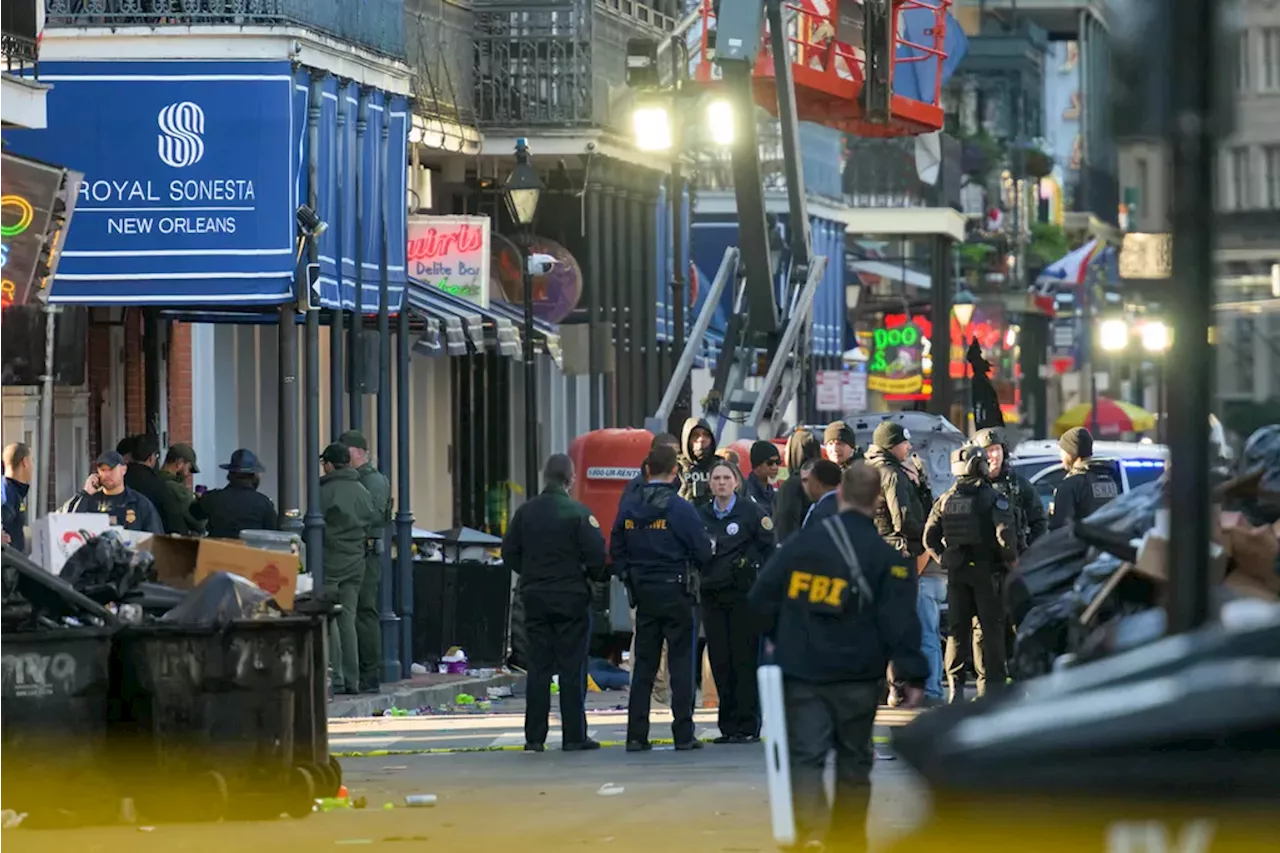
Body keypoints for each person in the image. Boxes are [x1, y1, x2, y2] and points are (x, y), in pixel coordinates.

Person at [749, 463, 926, 851]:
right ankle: (846, 840)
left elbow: (761, 597)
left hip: (802, 671)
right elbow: (900, 620)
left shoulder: (800, 546)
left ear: (841, 494)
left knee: (806, 757)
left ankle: (809, 831)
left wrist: (778, 637)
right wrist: (913, 673)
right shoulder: (885, 558)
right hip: (858, 676)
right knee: (854, 762)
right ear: (877, 501)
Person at [502, 454, 608, 752]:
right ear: (570, 479)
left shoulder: (525, 512)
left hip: (535, 597)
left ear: (545, 477)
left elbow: (509, 552)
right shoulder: (578, 513)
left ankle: (534, 737)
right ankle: (574, 735)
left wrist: (532, 573)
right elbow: (598, 558)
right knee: (572, 668)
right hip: (571, 598)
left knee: (538, 667)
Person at [611, 443, 712, 751]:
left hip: (644, 594)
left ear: (646, 471)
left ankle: (636, 735)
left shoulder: (629, 507)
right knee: (681, 665)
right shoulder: (681, 509)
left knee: (643, 666)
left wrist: (631, 576)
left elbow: (616, 550)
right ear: (674, 472)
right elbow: (702, 551)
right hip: (678, 592)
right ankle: (683, 734)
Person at [924, 446, 1019, 702]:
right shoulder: (992, 497)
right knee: (991, 631)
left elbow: (929, 537)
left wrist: (945, 559)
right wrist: (1013, 562)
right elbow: (1004, 535)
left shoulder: (945, 499)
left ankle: (955, 690)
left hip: (957, 574)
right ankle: (992, 691)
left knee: (957, 632)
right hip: (987, 573)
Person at [697, 460, 774, 743]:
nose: (721, 483)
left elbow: (769, 545)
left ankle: (748, 724)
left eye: (726, 478)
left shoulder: (750, 511)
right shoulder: (702, 514)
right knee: (720, 660)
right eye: (716, 478)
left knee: (744, 659)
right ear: (710, 483)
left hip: (742, 596)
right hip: (712, 594)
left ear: (736, 482)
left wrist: (754, 569)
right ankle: (727, 726)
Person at [622, 432, 682, 705]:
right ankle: (650, 691)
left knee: (662, 645)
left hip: (654, 579)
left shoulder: (681, 485)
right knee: (645, 642)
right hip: (655, 579)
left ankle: (658, 693)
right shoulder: (637, 490)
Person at [318, 442, 379, 696]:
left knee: (328, 616)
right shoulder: (362, 490)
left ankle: (337, 678)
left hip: (330, 561)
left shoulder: (325, 491)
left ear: (330, 465)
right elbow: (372, 519)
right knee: (348, 619)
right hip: (356, 561)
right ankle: (353, 679)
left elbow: (313, 523)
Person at [339, 430, 394, 695]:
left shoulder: (372, 481)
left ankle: (369, 671)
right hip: (356, 551)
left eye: (346, 450)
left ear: (358, 452)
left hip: (367, 553)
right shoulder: (359, 479)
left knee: (364, 610)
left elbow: (370, 516)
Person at [973, 427, 1046, 551]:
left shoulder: (1018, 485)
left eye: (997, 449)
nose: (995, 455)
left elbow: (1040, 522)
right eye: (990, 450)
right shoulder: (970, 486)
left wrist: (1027, 551)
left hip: (1013, 560)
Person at [864, 422, 927, 558]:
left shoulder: (869, 469)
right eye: (904, 443)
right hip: (897, 549)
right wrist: (927, 533)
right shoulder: (892, 475)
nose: (909, 447)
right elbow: (902, 519)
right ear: (891, 446)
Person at [63, 451, 164, 533]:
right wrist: (86, 493)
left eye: (111, 469)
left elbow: (155, 540)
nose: (107, 474)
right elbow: (68, 528)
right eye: (103, 470)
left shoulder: (139, 504)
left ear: (123, 470)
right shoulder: (89, 501)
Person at [192, 449, 280, 538]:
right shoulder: (264, 504)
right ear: (254, 476)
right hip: (250, 551)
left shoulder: (214, 498)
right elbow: (273, 535)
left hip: (217, 551)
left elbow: (194, 513)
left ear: (230, 474)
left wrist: (201, 498)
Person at [1049, 427, 1119, 530]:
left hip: (1080, 544)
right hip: (1107, 543)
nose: (1061, 456)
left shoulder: (1071, 484)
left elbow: (1061, 528)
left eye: (1062, 451)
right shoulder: (1109, 479)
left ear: (1071, 452)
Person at [122, 434, 182, 532]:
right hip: (151, 533)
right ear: (151, 458)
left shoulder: (121, 477)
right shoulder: (157, 483)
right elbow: (170, 516)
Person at [775, 428, 821, 541]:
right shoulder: (825, 480)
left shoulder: (793, 485)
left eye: (786, 451)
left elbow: (785, 522)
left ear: (794, 452)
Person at [157, 443, 205, 535]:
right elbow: (199, 523)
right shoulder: (175, 489)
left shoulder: (153, 479)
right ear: (179, 463)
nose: (188, 474)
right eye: (189, 468)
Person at [622, 432, 682, 504]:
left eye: (677, 454)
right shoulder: (637, 485)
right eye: (669, 455)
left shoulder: (681, 479)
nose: (675, 459)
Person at [677, 417, 718, 506]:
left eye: (706, 435)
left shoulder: (722, 466)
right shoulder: (676, 467)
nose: (701, 439)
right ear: (687, 440)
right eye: (695, 435)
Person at [1, 443, 33, 551]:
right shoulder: (7, 491)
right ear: (25, 462)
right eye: (31, 460)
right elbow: (4, 516)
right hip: (7, 564)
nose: (33, 465)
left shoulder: (15, 491)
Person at [801, 459, 842, 529]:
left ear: (817, 483)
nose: (806, 486)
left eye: (808, 481)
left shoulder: (820, 513)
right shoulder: (851, 506)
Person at [744, 440, 781, 514]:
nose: (775, 467)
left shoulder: (773, 493)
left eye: (777, 462)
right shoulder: (746, 492)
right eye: (770, 463)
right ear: (757, 465)